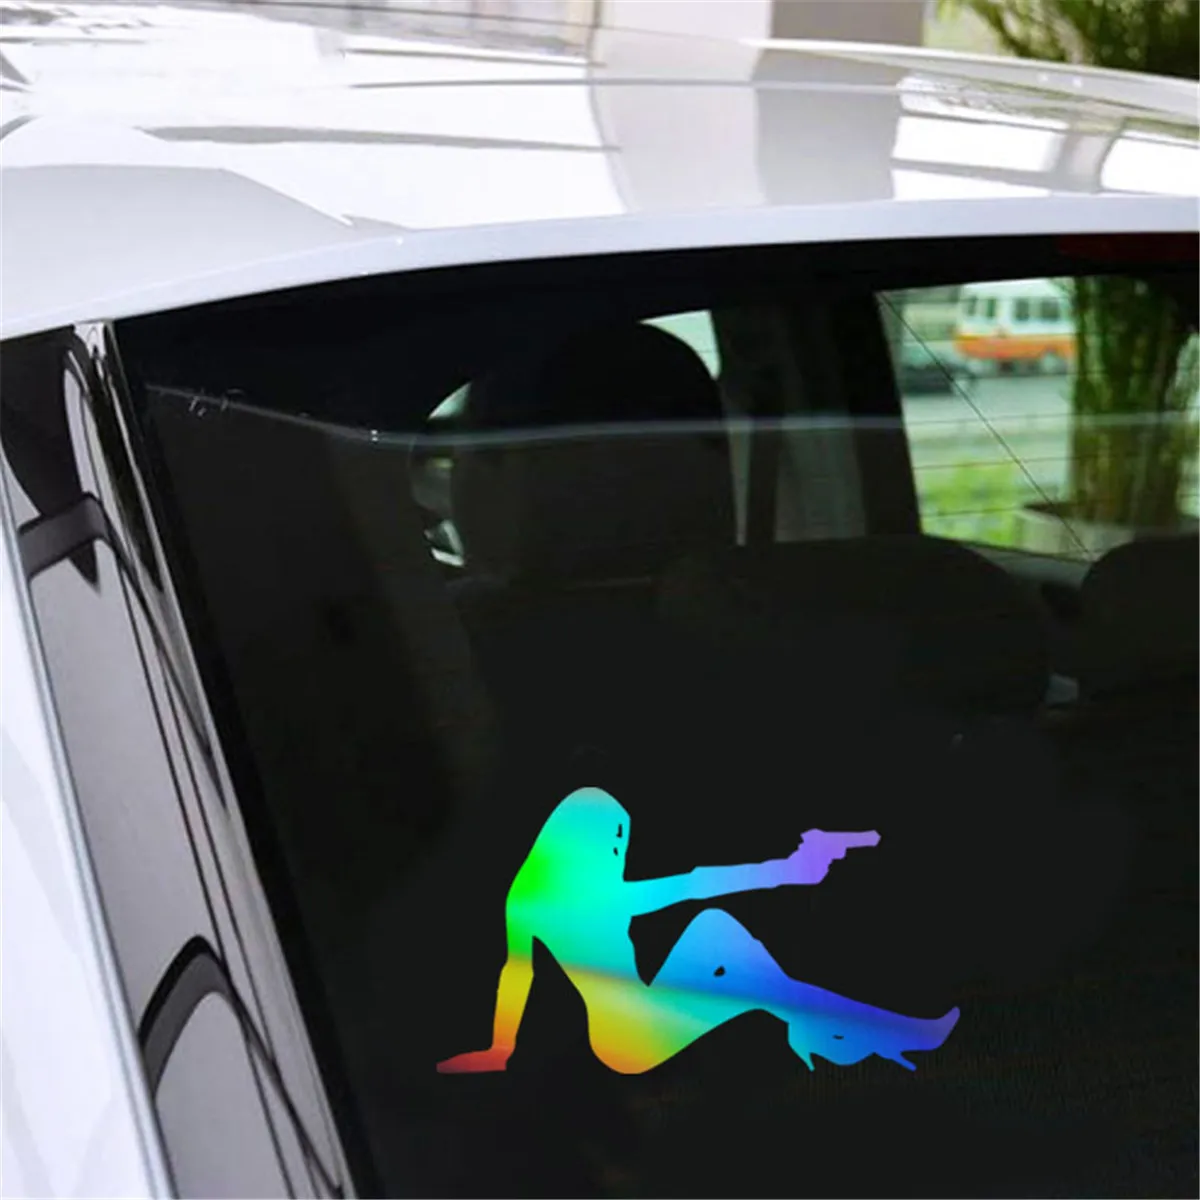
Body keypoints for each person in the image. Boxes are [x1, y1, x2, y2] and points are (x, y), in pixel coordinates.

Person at [438, 787, 958, 1075]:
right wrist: (784, 871)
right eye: (614, 840)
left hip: (637, 1020)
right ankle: (870, 1030)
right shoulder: (593, 899)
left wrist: (500, 1048)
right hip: (634, 1038)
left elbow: (517, 974)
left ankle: (830, 1026)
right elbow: (694, 884)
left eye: (623, 839)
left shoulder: (525, 900)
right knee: (744, 964)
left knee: (721, 936)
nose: (620, 851)